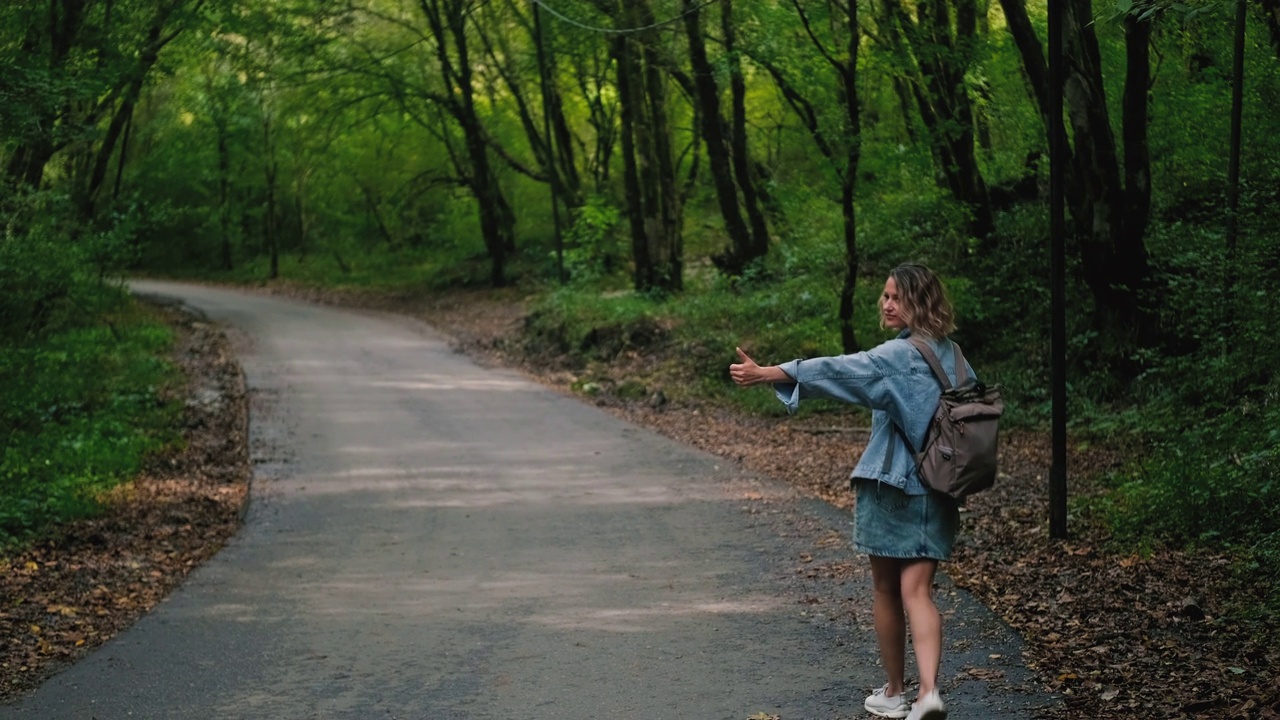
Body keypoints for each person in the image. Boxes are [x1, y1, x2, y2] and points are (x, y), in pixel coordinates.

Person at [729, 263, 968, 720]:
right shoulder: (955, 357)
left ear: (920, 301)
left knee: (885, 588)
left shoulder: (897, 357)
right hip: (940, 488)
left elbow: (841, 371)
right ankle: (930, 693)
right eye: (885, 296)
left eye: (897, 296)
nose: (887, 303)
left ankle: (896, 692)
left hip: (891, 485)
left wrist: (770, 374)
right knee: (919, 591)